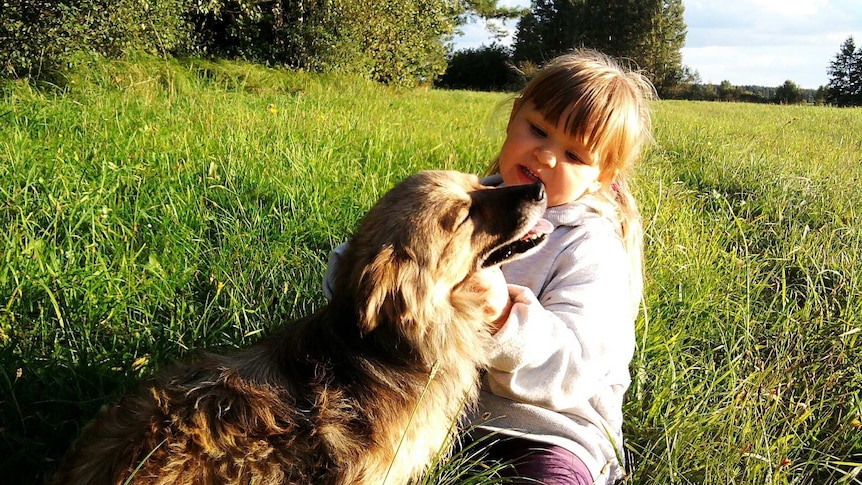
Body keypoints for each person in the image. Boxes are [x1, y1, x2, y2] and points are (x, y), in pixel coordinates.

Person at [324, 49, 654, 484]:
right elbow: (376, 270)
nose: (548, 157)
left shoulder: (592, 249)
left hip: (541, 430)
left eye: (575, 156)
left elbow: (579, 372)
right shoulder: (472, 202)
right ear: (514, 115)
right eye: (538, 129)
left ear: (604, 177)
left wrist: (503, 318)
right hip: (427, 410)